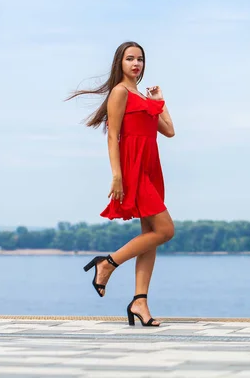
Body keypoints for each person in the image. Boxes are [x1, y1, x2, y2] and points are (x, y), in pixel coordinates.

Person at [66, 41, 175, 327]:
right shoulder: (119, 92)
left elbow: (170, 131)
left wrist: (160, 100)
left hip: (152, 169)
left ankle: (140, 301)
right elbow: (112, 135)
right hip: (133, 169)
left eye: (140, 59)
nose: (136, 64)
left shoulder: (142, 96)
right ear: (120, 63)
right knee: (166, 230)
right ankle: (108, 263)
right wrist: (117, 175)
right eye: (130, 59)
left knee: (150, 236)